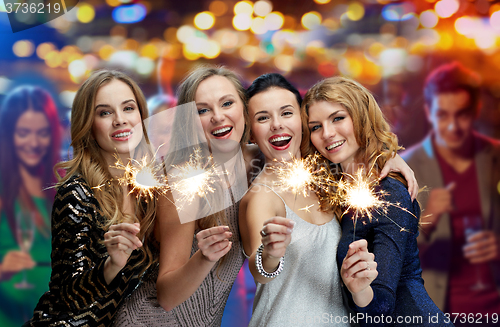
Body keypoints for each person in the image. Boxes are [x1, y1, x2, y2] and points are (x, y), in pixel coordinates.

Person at [112, 65, 418, 327]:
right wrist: (230, 256)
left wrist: (388, 157)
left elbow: (316, 144)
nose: (218, 117)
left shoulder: (272, 161)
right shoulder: (188, 185)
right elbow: (257, 270)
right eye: (203, 110)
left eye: (227, 103)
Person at [302, 76, 452, 326]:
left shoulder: (388, 191)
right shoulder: (337, 184)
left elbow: (381, 305)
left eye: (338, 118)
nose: (327, 133)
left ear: (361, 116)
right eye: (315, 126)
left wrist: (358, 288)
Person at [239, 73, 378, 327]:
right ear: (250, 133)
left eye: (286, 113)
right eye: (263, 118)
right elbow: (260, 272)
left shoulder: (325, 176)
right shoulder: (262, 197)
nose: (277, 124)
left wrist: (392, 159)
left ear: (302, 121)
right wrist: (269, 253)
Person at [23, 70, 157, 326]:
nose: (120, 120)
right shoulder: (76, 192)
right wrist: (112, 264)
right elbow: (68, 295)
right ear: (88, 125)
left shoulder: (150, 190)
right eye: (105, 113)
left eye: (128, 108)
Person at [402, 62, 500, 325]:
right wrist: (425, 223)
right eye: (442, 115)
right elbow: (389, 254)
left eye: (462, 114)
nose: (453, 126)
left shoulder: (495, 158)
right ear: (428, 112)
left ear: (476, 110)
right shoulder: (406, 169)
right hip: (436, 313)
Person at [0, 86, 62, 327]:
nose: (34, 143)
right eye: (24, 133)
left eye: (43, 133)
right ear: (8, 134)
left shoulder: (61, 185)